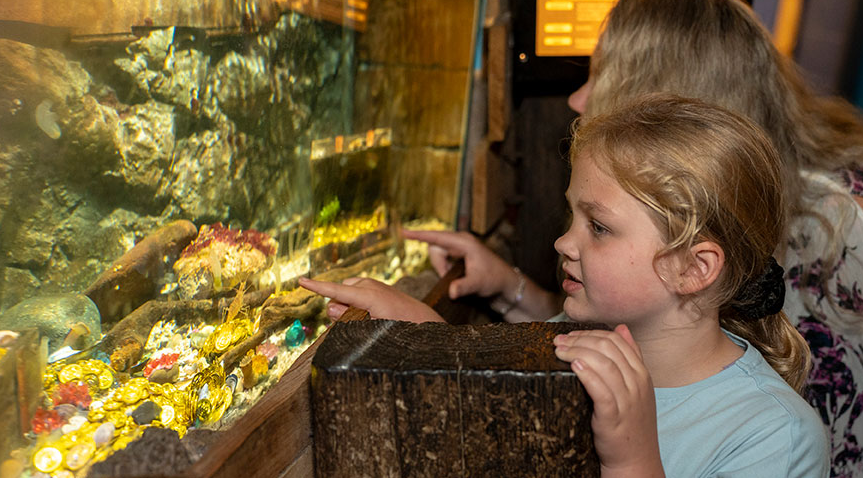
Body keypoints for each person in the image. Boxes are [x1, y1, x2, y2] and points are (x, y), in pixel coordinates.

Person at [378, 0, 863, 477]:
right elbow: (642, 323)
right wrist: (507, 291)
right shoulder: (671, 230)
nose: (578, 99)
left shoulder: (856, 220)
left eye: (603, 77)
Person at [302, 94, 830, 476]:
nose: (563, 243)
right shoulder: (578, 335)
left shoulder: (775, 439)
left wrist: (632, 459)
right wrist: (414, 332)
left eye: (598, 227)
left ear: (693, 269)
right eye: (571, 217)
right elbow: (492, 403)